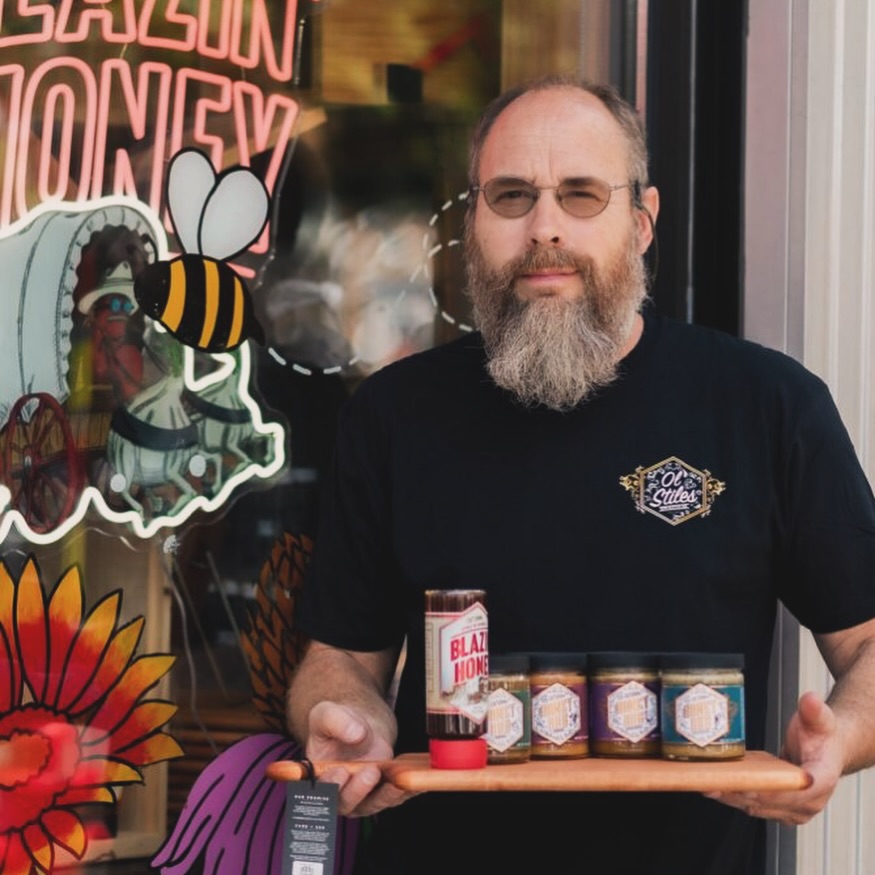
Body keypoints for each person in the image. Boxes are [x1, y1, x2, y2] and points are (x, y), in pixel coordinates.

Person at [287, 74, 875, 874]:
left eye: (580, 194)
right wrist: (348, 719)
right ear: (472, 222)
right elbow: (342, 658)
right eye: (511, 196)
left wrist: (842, 735)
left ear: (641, 221)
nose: (544, 228)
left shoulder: (766, 406)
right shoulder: (393, 414)